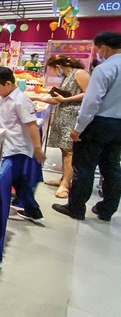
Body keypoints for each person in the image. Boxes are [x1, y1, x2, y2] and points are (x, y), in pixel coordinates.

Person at [53, 31, 121, 221]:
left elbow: (91, 102)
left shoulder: (104, 69)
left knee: (84, 167)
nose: (98, 52)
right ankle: (107, 209)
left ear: (104, 48)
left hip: (98, 123)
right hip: (118, 125)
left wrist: (78, 128)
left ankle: (76, 208)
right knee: (112, 167)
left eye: (98, 49)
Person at [0, 67, 46, 223]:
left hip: (16, 148)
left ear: (8, 83)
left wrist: (37, 149)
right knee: (18, 180)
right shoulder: (4, 96)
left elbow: (32, 125)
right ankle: (33, 210)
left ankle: (11, 210)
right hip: (6, 146)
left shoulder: (21, 101)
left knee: (11, 180)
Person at [31, 55, 90, 198]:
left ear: (57, 66)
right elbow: (59, 99)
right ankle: (64, 178)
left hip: (72, 116)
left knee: (69, 151)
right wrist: (37, 98)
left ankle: (65, 184)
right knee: (64, 150)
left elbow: (88, 94)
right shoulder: (67, 77)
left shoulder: (79, 74)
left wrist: (66, 99)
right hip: (64, 115)